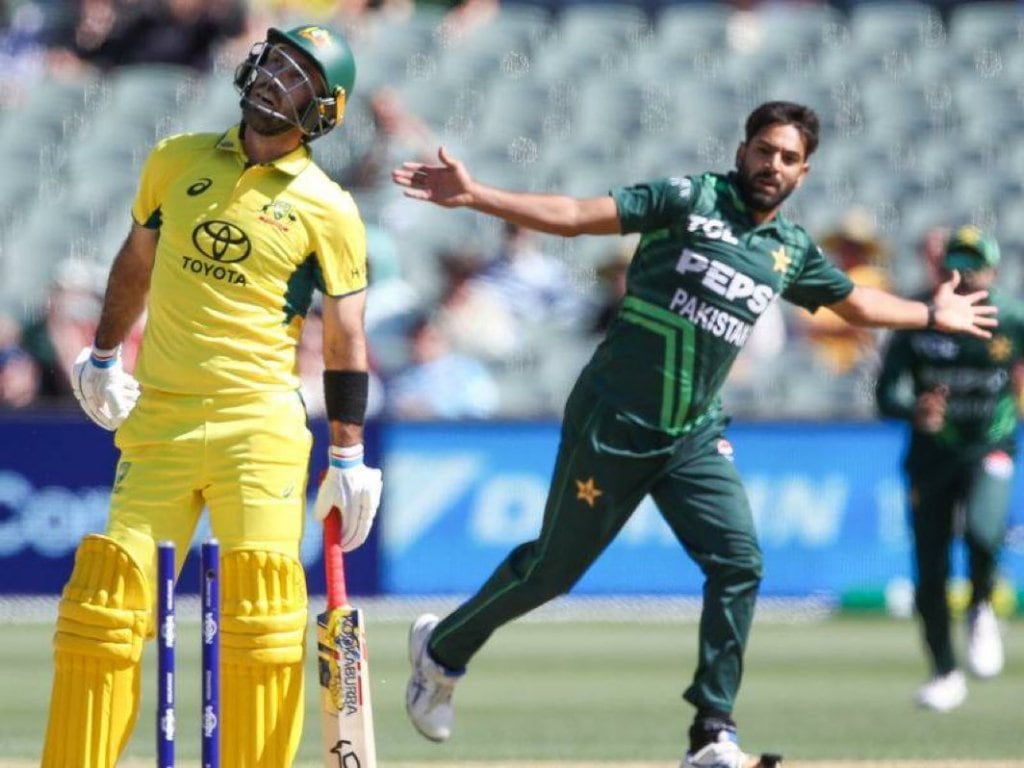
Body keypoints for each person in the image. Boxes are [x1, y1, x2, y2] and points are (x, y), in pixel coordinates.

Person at [391, 101, 997, 767]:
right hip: (614, 421)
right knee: (552, 573)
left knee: (739, 561)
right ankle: (443, 650)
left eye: (788, 157)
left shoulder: (789, 248)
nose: (773, 164)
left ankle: (711, 734)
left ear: (804, 171)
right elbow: (574, 215)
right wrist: (477, 196)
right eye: (765, 149)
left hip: (694, 435)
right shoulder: (688, 198)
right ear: (744, 150)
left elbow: (853, 302)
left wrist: (927, 313)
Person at [40, 23, 382, 768]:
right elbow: (136, 260)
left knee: (260, 619)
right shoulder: (176, 159)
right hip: (158, 417)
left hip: (258, 429)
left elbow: (348, 336)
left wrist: (349, 454)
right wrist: (102, 354)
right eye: (276, 60)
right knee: (102, 607)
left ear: (323, 111)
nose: (274, 78)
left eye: (299, 75)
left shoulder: (328, 207)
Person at [875, 224, 1021, 713]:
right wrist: (914, 408)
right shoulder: (919, 318)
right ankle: (943, 671)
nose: (965, 275)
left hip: (990, 445)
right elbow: (886, 393)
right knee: (930, 568)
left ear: (993, 271)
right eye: (955, 264)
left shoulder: (1013, 318)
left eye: (974, 265)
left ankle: (981, 606)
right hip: (930, 457)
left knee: (983, 531)